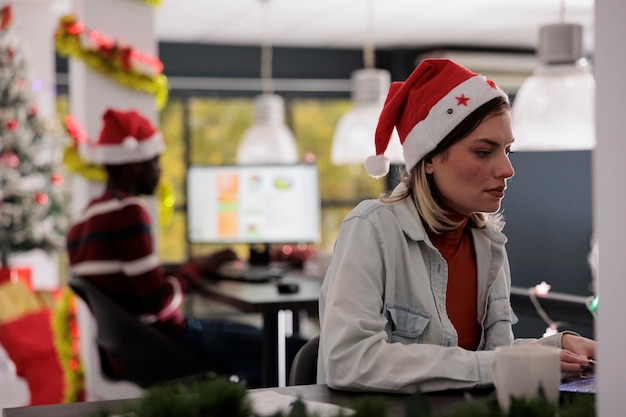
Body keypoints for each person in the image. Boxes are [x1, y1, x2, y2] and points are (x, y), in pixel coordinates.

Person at [317, 59, 596, 393]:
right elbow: (348, 361)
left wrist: (558, 347)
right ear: (430, 158)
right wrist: (502, 363)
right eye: (483, 151)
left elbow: (488, 362)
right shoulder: (370, 229)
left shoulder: (488, 245)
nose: (508, 169)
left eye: (507, 150)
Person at [66, 108, 302, 388]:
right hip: (169, 343)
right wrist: (197, 268)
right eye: (155, 161)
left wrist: (188, 267)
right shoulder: (128, 211)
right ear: (133, 166)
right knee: (293, 350)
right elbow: (159, 303)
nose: (160, 170)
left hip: (137, 348)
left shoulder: (82, 220)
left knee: (263, 340)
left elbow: (130, 281)